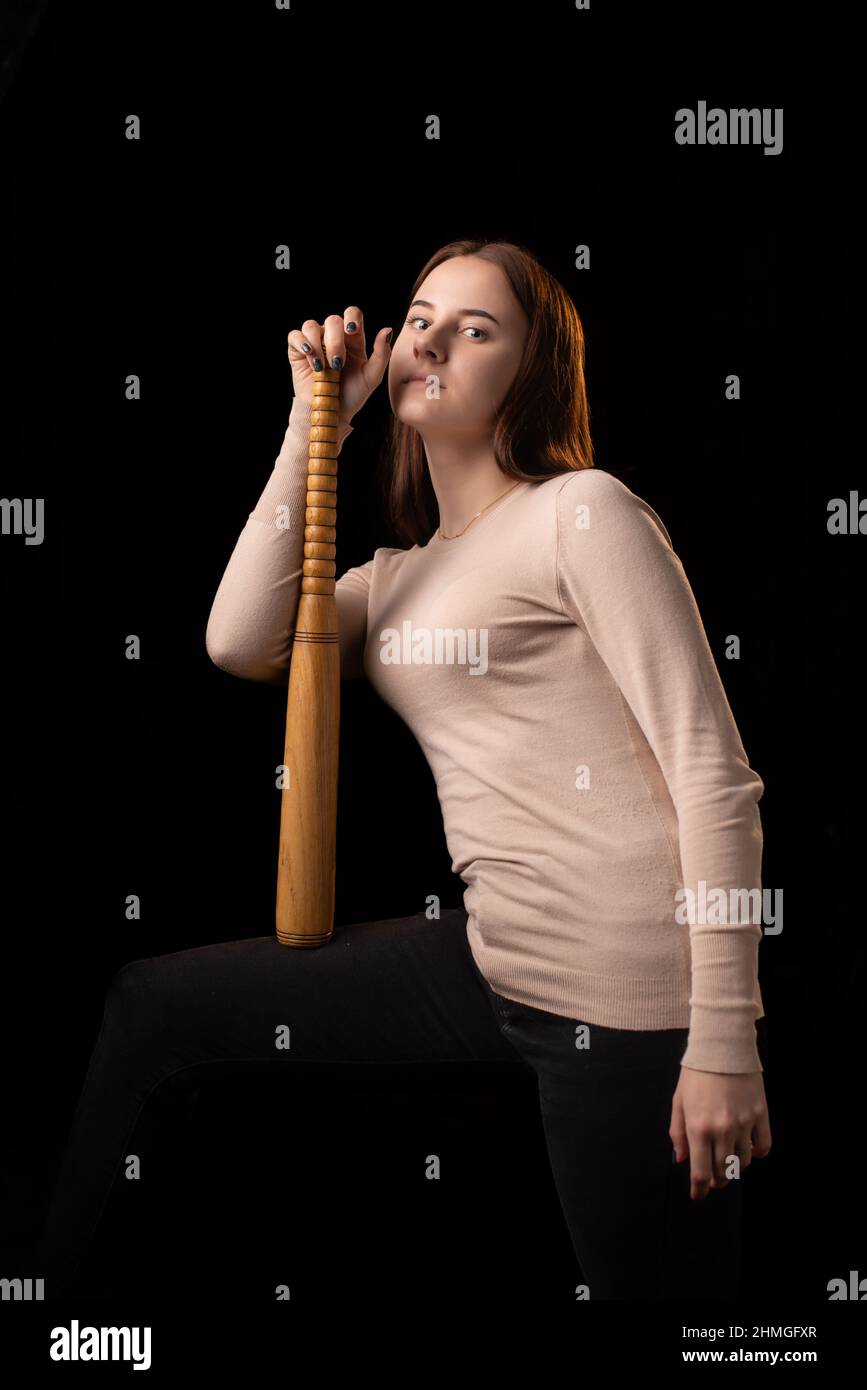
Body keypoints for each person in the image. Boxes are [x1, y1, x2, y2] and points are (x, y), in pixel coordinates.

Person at [35, 238, 771, 1300]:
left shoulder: (582, 513)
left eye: (477, 329)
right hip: (498, 957)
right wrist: (315, 417)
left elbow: (714, 773)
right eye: (420, 316)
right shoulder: (392, 583)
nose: (432, 338)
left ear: (532, 372)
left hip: (629, 995)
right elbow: (238, 641)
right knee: (154, 1005)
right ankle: (47, 1310)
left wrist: (725, 1042)